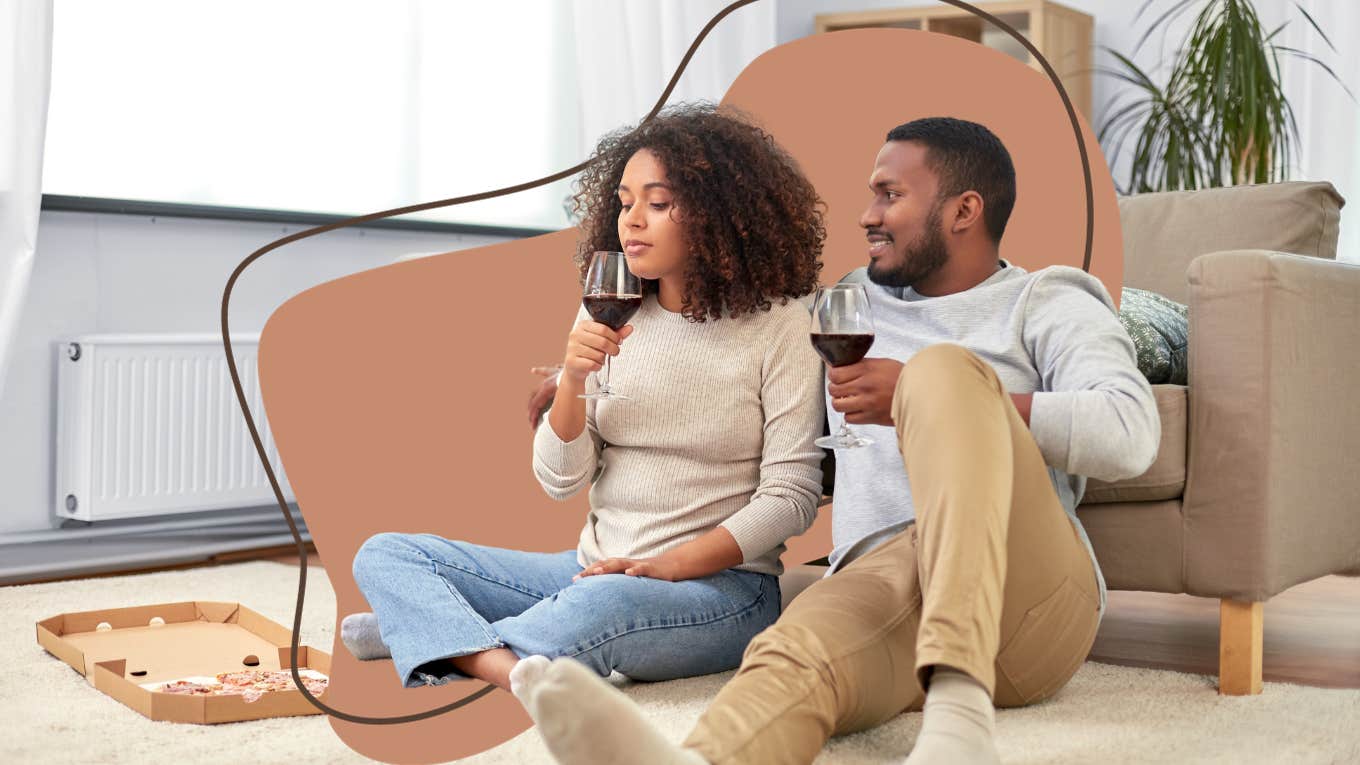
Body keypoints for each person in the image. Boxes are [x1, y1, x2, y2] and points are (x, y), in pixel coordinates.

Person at [509, 116, 1161, 764]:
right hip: (885, 584)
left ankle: (960, 717)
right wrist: (577, 378)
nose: (867, 215)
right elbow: (729, 358)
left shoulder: (1045, 298)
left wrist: (916, 393)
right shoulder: (842, 306)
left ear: (964, 210)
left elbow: (1130, 434)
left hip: (1030, 601)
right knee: (789, 652)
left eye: (890, 194)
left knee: (941, 372)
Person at [344, 103, 828, 691]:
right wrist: (572, 382)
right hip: (588, 568)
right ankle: (493, 655)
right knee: (387, 554)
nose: (633, 221)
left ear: (723, 213)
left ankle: (432, 634)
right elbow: (561, 481)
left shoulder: (782, 326)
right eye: (625, 202)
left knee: (600, 610)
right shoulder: (611, 307)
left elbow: (791, 495)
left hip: (720, 590)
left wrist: (666, 566)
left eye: (658, 202)